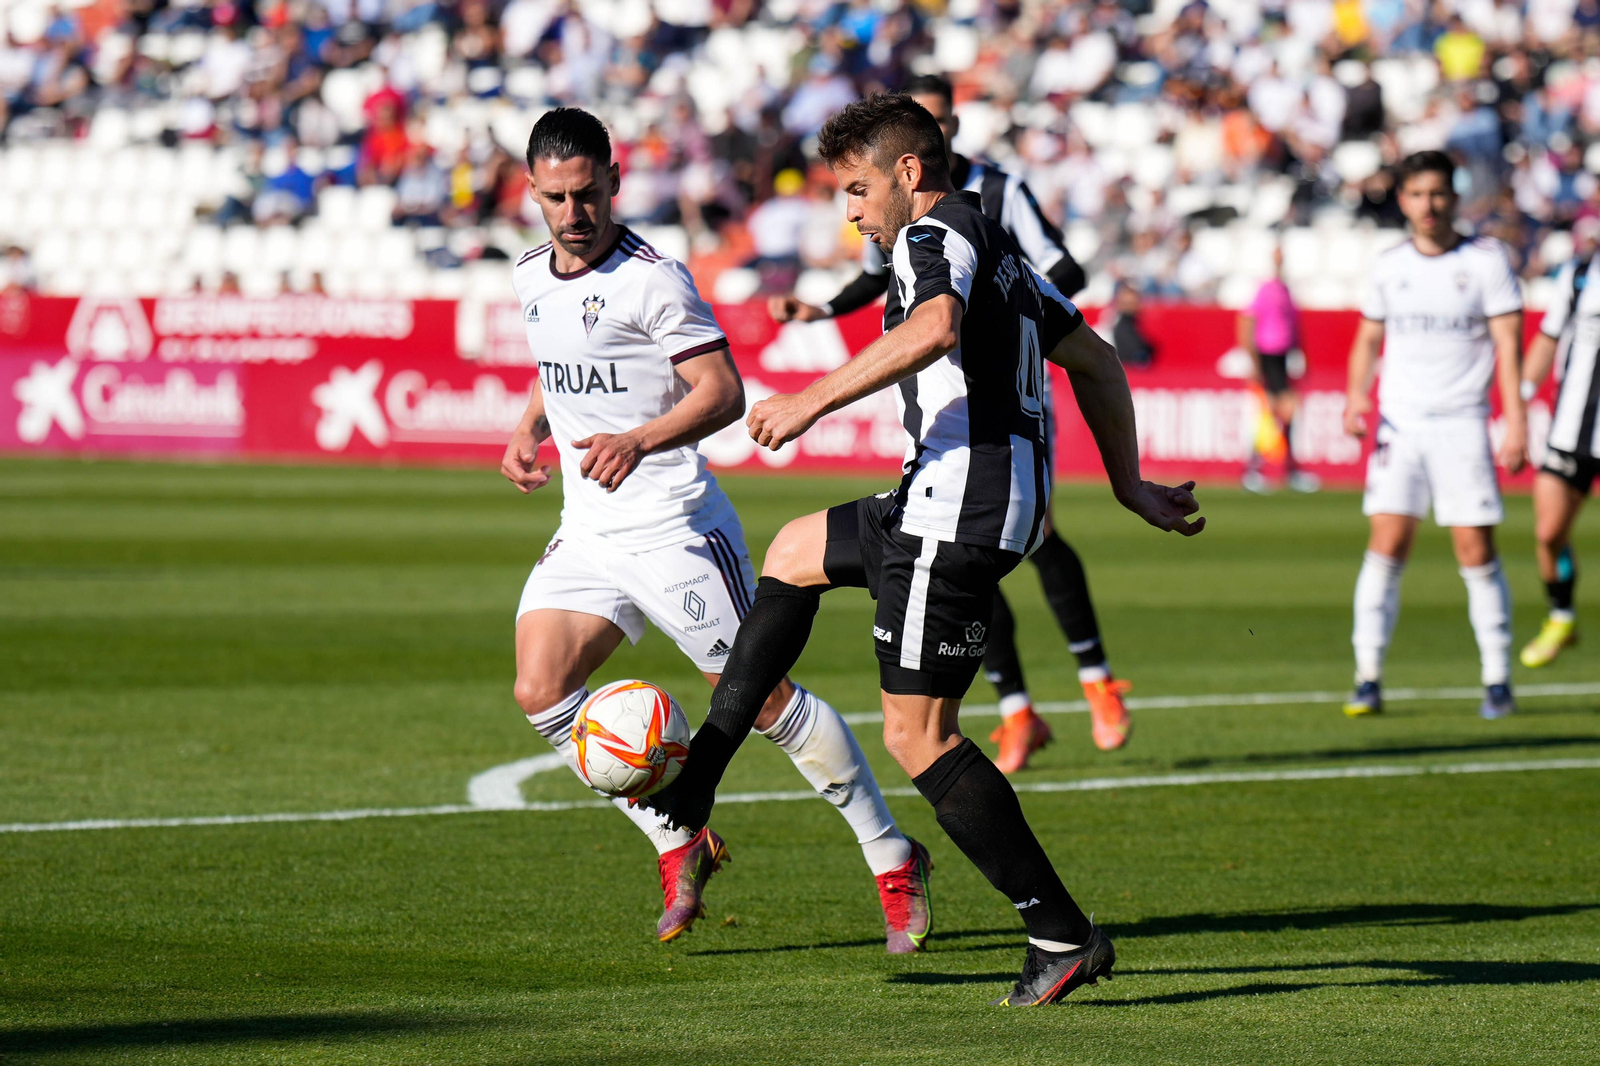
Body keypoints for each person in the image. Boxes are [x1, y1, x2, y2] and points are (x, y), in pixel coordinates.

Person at [643, 94, 1204, 1006]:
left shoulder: (932, 239)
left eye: (859, 188)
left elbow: (934, 329)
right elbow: (1096, 360)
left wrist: (807, 400)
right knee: (791, 551)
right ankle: (705, 769)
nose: (851, 211)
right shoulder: (1001, 249)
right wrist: (1128, 484)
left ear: (910, 173)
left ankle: (1059, 933)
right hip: (957, 495)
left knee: (918, 735)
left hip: (961, 509)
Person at [501, 108, 933, 953]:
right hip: (588, 531)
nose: (573, 213)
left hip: (675, 528)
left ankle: (893, 855)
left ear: (615, 182)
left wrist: (639, 438)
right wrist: (532, 427)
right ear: (532, 194)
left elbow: (722, 393)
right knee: (539, 689)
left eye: (587, 193)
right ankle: (679, 840)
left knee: (765, 702)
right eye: (556, 198)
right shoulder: (528, 274)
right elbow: (554, 359)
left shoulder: (654, 278)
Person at [768, 73, 1132, 768]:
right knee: (937, 553)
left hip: (1003, 397)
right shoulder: (912, 224)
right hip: (961, 414)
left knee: (1012, 541)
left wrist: (1010, 315)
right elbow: (900, 276)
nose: (853, 207)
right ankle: (1018, 705)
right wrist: (825, 310)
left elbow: (1046, 276)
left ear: (932, 143)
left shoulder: (991, 200)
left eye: (937, 118)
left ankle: (1095, 680)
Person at [1341, 150, 1527, 721]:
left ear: (1455, 197)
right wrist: (1355, 398)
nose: (1429, 205)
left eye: (1439, 194)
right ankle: (1367, 676)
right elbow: (1369, 339)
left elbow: (1508, 347)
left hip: (1462, 424)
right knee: (1387, 546)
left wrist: (1515, 420)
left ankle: (1497, 677)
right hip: (1402, 424)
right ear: (1403, 200)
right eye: (1418, 194)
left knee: (1476, 550)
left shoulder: (1487, 261)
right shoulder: (1389, 263)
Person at [1515, 231, 1600, 668]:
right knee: (1549, 533)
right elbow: (1548, 338)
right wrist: (1522, 395)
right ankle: (1561, 616)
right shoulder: (1581, 274)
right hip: (1571, 433)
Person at [1240, 245, 1320, 494]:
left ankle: (1279, 469)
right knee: (1278, 410)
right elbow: (1246, 323)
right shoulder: (1265, 289)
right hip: (1268, 355)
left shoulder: (1286, 291)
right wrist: (1254, 362)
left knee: (1280, 413)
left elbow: (1294, 327)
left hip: (1282, 356)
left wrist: (1301, 355)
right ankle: (1261, 469)